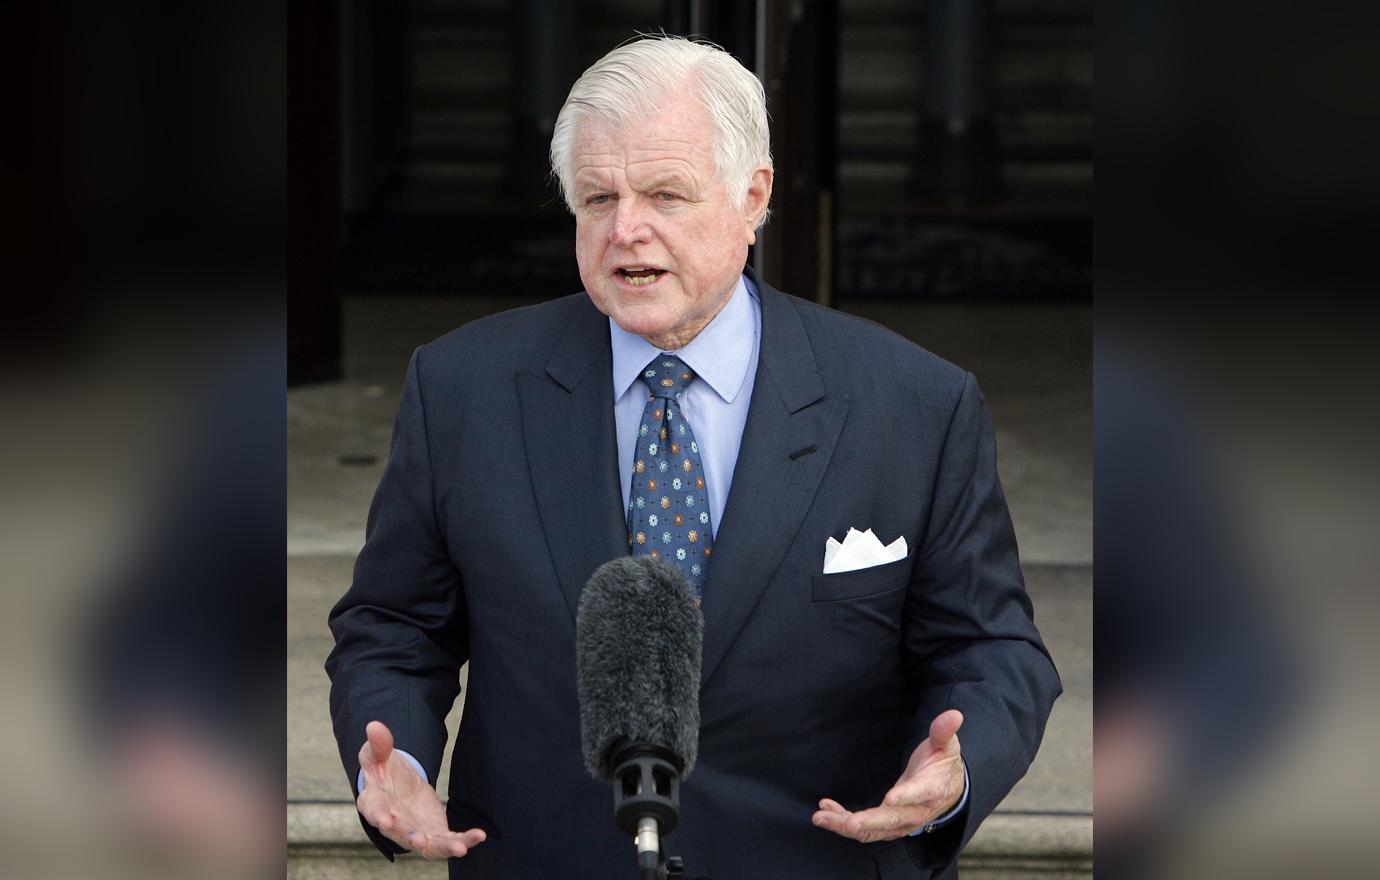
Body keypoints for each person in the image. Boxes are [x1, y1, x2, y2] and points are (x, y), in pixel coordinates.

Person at [326, 35, 1060, 879]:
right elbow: (393, 626)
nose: (626, 230)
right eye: (597, 197)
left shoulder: (915, 405)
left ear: (754, 196)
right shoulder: (462, 390)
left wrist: (962, 764)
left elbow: (993, 648)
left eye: (665, 195)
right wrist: (401, 765)